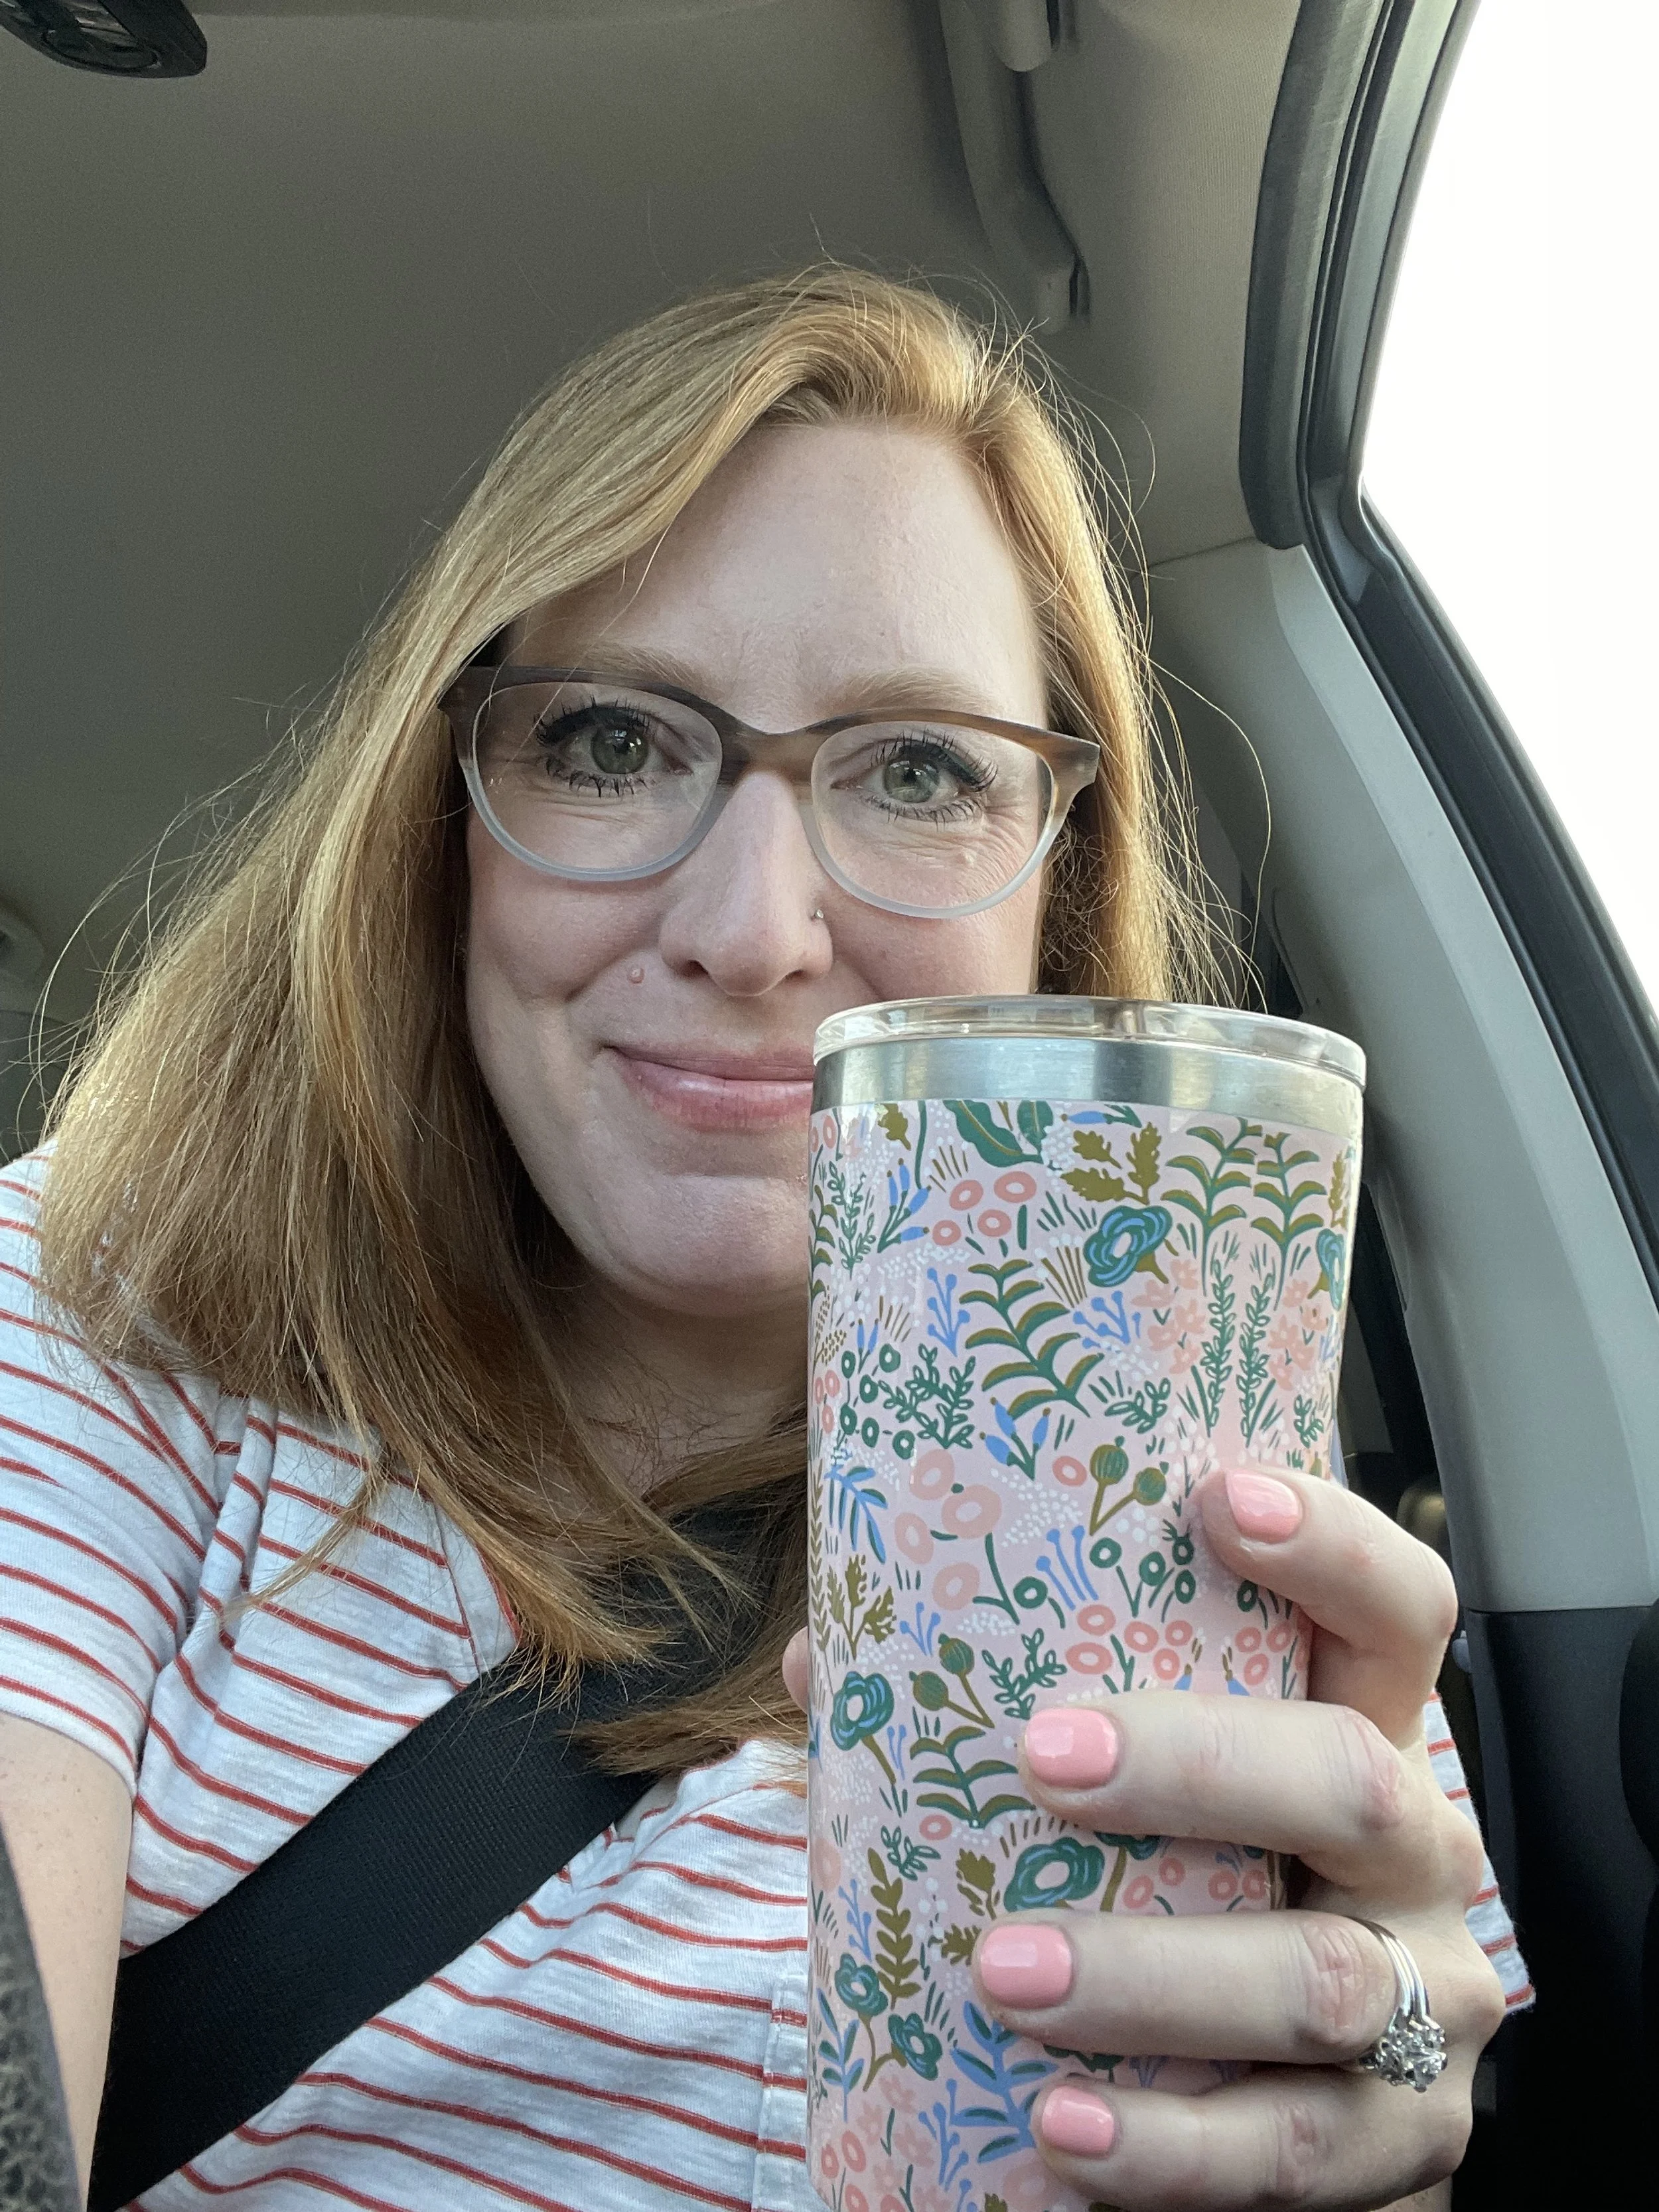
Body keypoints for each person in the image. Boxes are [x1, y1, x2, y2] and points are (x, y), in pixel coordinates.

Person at [0, 267, 1520, 2212]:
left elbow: (1389, 2096)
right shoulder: (99, 1327)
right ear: (441, 821)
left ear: (1055, 898)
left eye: (919, 771)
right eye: (610, 742)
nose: (750, 931)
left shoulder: (1211, 1518)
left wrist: (1383, 2098)